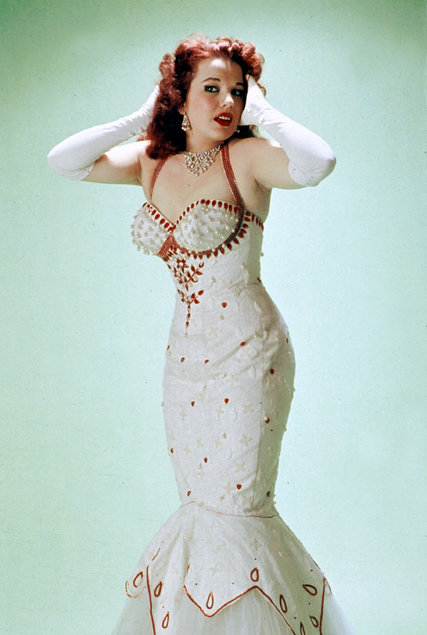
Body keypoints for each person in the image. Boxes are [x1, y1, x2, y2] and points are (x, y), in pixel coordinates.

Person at [48, 35, 354, 635]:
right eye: (211, 88)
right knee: (201, 504)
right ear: (178, 98)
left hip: (251, 352)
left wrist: (266, 113)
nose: (228, 102)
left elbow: (318, 163)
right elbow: (65, 161)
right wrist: (138, 118)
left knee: (237, 505)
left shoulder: (249, 157)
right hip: (185, 360)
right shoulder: (151, 161)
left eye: (238, 91)